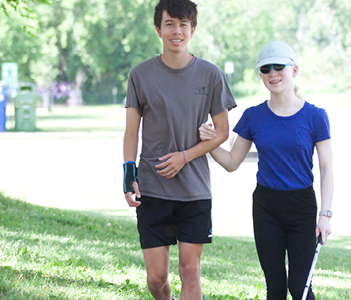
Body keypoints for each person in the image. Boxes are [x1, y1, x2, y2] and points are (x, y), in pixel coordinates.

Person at [198, 41, 333, 300]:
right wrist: (209, 142)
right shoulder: (253, 116)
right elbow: (231, 162)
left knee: (300, 287)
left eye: (278, 67)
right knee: (275, 288)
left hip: (302, 206)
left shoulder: (316, 116)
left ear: (294, 70)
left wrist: (325, 215)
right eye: (265, 68)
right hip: (266, 206)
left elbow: (327, 168)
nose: (272, 73)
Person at [122, 0, 236, 299]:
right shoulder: (140, 75)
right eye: (170, 24)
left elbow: (222, 132)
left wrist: (185, 156)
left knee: (190, 270)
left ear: (193, 29)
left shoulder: (211, 75)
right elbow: (131, 131)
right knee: (156, 278)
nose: (177, 31)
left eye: (183, 25)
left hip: (194, 190)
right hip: (153, 188)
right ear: (158, 29)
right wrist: (128, 174)